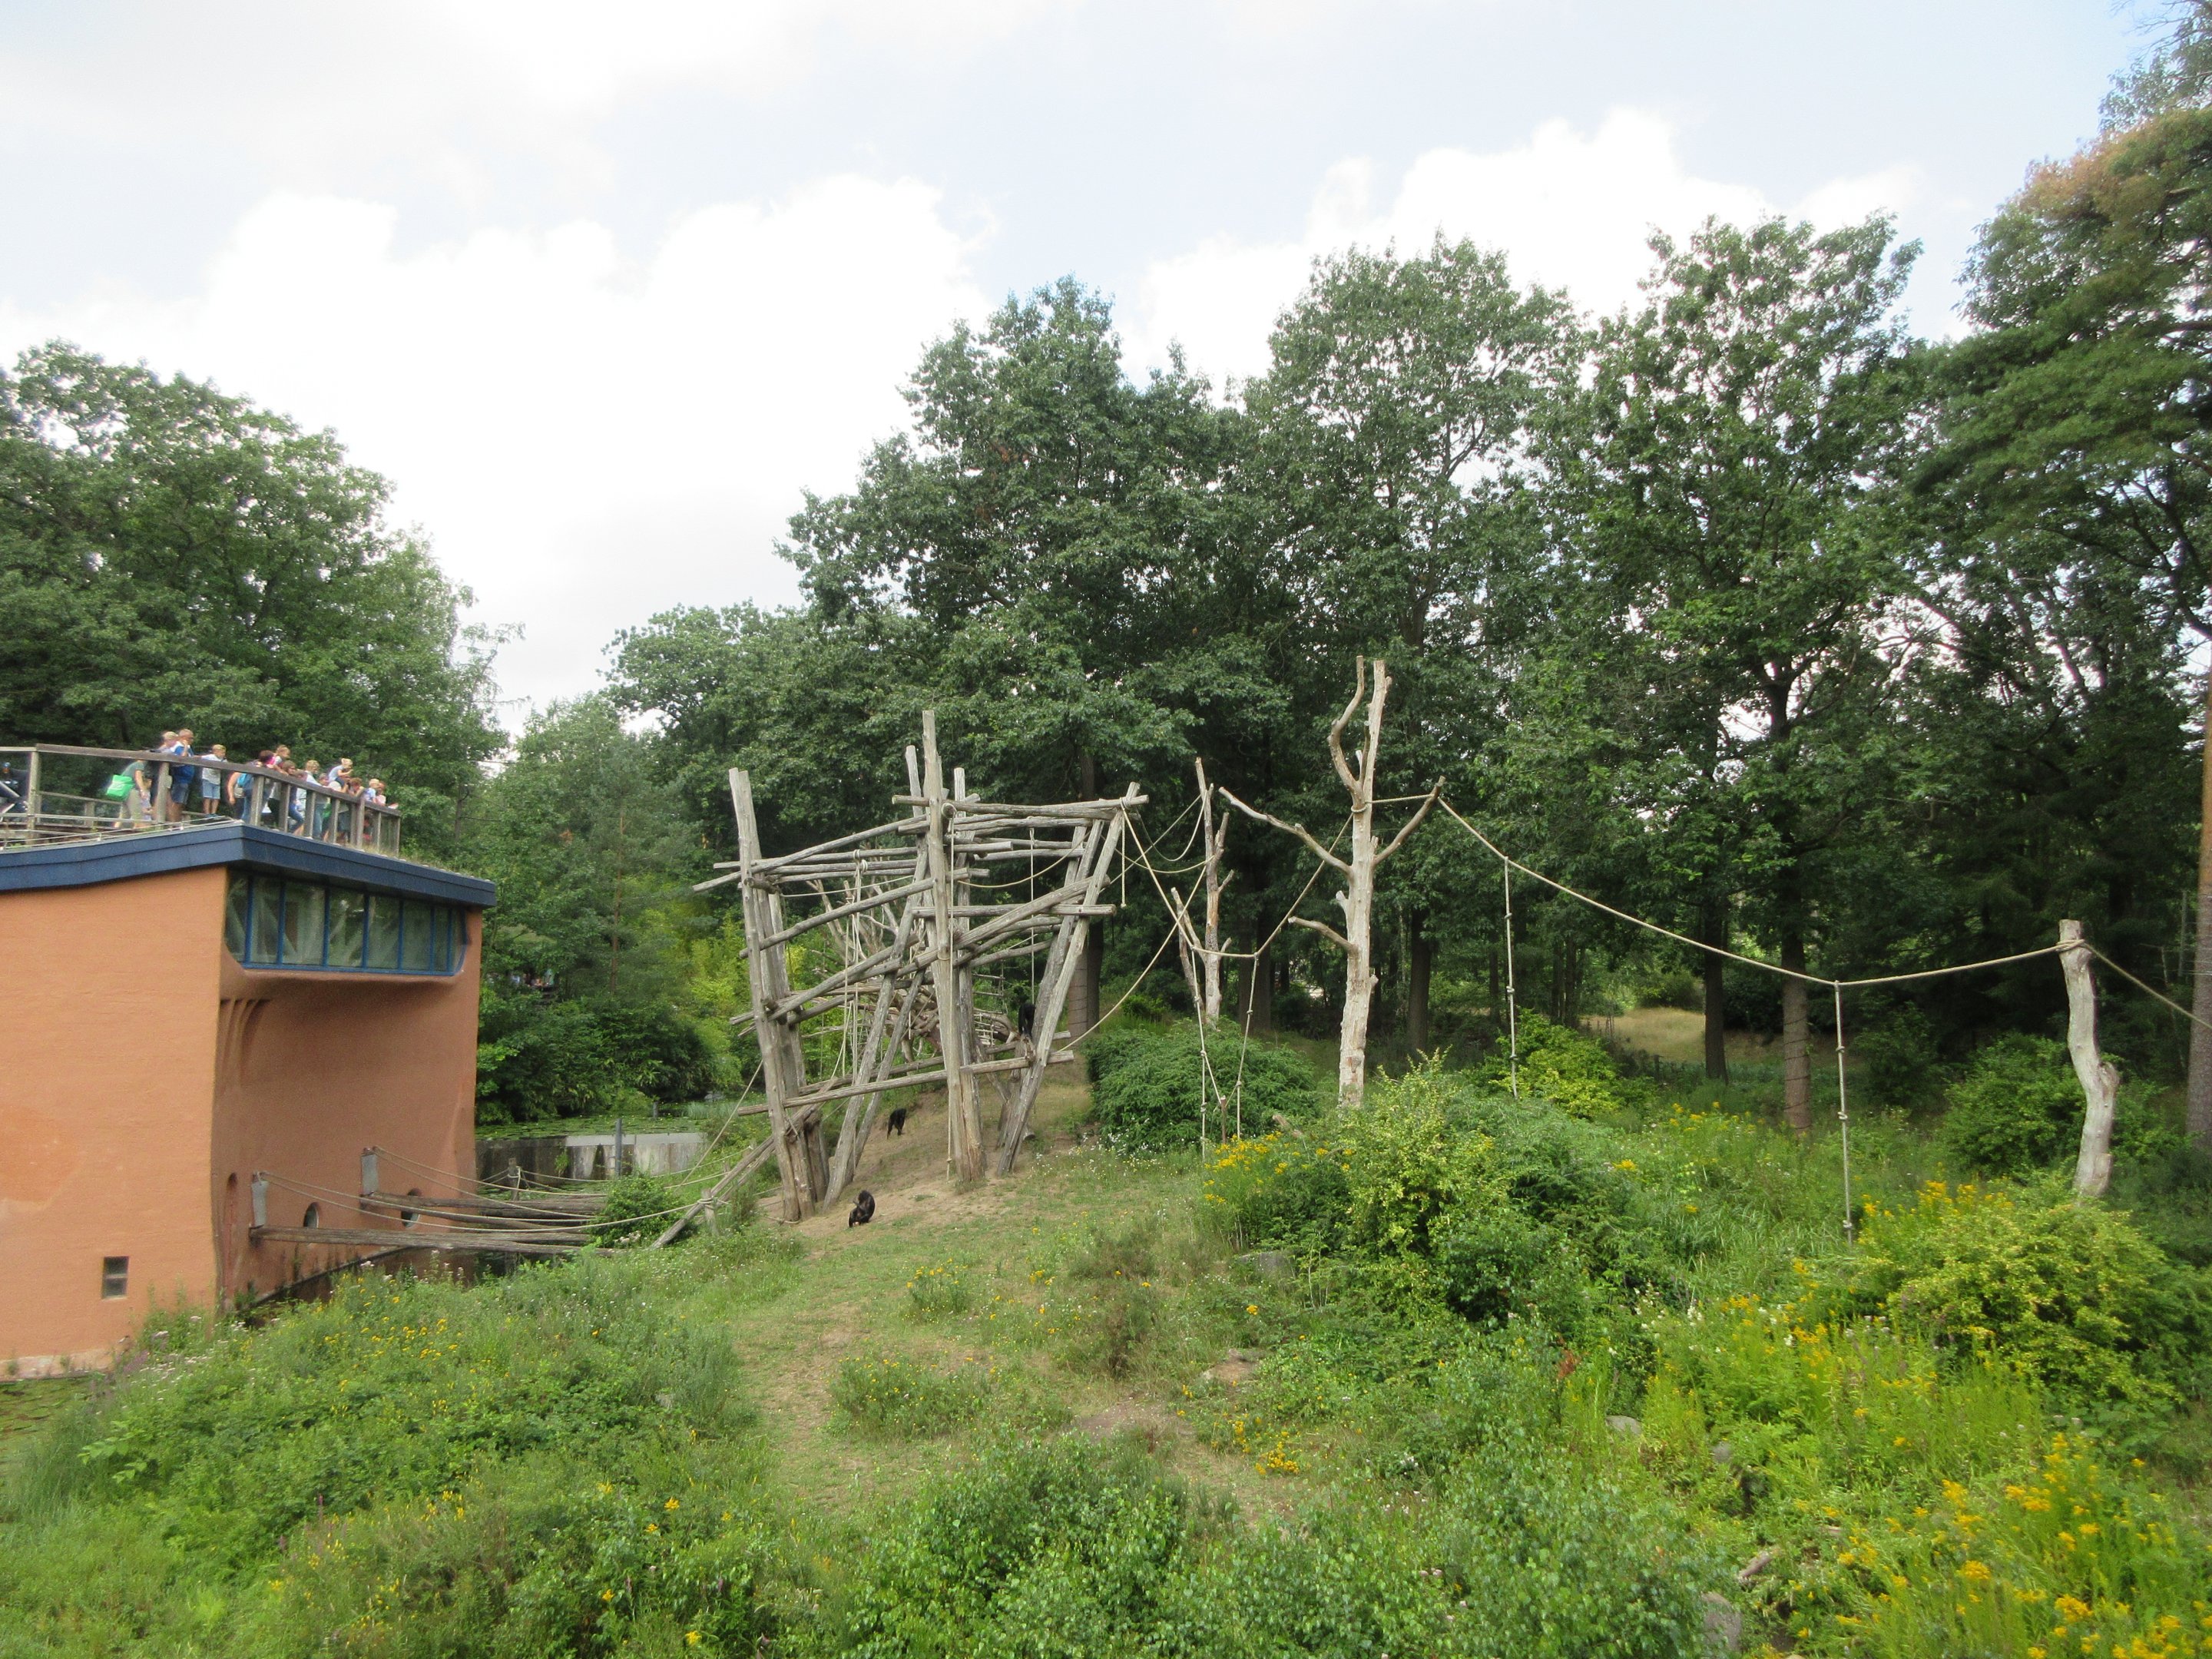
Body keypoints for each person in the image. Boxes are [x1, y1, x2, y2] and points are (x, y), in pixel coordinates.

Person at [197, 742, 228, 816]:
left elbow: (226, 767)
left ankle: (214, 813)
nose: (223, 754)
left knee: (216, 798)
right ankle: (207, 813)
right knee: (208, 797)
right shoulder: (210, 757)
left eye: (224, 753)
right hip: (208, 778)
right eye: (222, 753)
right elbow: (200, 758)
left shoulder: (224, 760)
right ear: (215, 752)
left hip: (217, 780)